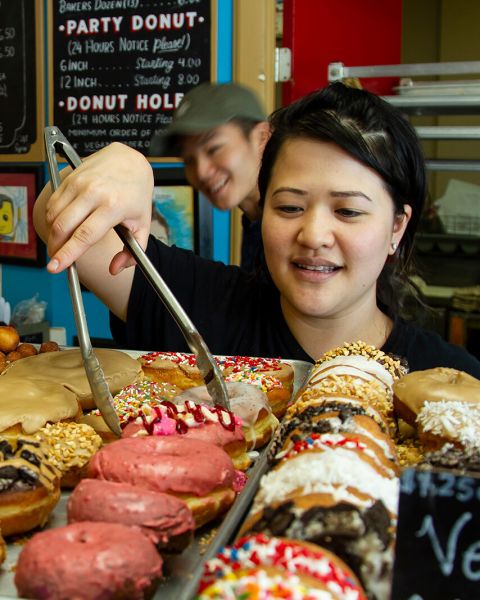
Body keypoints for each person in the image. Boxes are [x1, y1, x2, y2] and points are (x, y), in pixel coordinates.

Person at [34, 82, 480, 376]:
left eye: (347, 212)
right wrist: (122, 168)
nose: (313, 234)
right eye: (289, 206)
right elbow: (50, 215)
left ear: (396, 228)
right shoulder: (203, 307)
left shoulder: (448, 378)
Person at [150, 82, 269, 272]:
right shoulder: (256, 222)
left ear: (262, 136)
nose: (200, 172)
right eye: (189, 160)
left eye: (214, 149)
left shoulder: (289, 230)